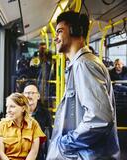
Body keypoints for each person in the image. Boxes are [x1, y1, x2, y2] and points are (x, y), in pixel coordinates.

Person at [47, 11, 120, 160]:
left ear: (75, 31)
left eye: (60, 31)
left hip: (86, 155)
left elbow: (99, 118)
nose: (55, 38)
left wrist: (65, 144)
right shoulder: (81, 63)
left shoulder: (84, 64)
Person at [0, 93, 46, 160]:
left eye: (12, 106)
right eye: (7, 107)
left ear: (23, 109)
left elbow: (34, 153)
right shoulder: (2, 125)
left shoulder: (34, 125)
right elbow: (1, 153)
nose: (8, 110)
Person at [23, 81, 52, 160]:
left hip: (38, 150)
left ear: (38, 96)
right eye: (27, 93)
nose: (29, 96)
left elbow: (49, 134)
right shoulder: (18, 111)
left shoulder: (45, 113)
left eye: (32, 93)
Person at [36, 42, 54, 107]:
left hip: (44, 95)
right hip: (44, 94)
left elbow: (43, 81)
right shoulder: (44, 65)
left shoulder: (46, 65)